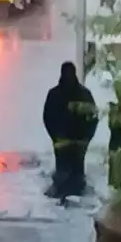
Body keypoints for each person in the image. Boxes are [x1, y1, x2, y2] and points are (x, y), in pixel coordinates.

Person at [42, 61, 99, 199]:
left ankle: (64, 193)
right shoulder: (83, 94)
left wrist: (85, 139)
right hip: (69, 144)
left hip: (72, 144)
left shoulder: (56, 94)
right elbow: (48, 118)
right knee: (70, 176)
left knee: (71, 177)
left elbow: (93, 117)